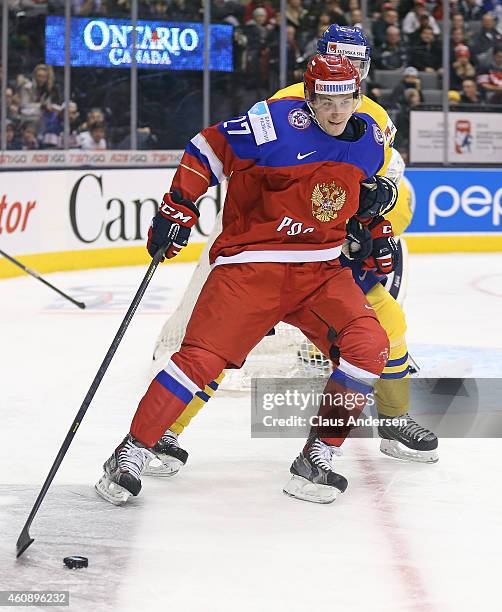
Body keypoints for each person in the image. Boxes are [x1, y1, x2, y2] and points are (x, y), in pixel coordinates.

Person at [96, 55, 398, 506]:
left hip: (320, 270)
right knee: (199, 360)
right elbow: (206, 147)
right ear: (309, 97)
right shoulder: (275, 124)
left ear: (359, 95)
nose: (336, 112)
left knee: (370, 345)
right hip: (251, 267)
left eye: (346, 100)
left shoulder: (372, 140)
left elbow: (360, 194)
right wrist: (179, 206)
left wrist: (375, 230)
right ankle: (131, 450)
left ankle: (317, 456)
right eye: (325, 101)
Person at [149, 25, 438, 481]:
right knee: (221, 346)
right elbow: (232, 161)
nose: (343, 98)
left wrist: (375, 225)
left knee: (388, 328)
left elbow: (379, 187)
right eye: (344, 68)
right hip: (261, 251)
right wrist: (181, 206)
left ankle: (393, 419)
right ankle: (165, 431)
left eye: (360, 67)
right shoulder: (284, 106)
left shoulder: (373, 115)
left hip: (327, 257)